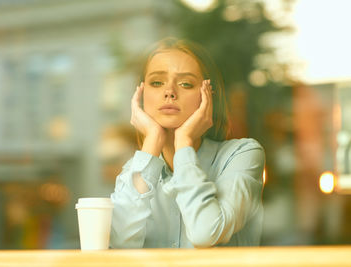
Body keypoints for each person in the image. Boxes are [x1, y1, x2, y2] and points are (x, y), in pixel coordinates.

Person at [110, 37, 265, 248]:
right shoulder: (135, 171)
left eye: (186, 83)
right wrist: (153, 139)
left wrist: (184, 142)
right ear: (142, 95)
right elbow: (119, 246)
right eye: (157, 82)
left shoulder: (241, 155)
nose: (170, 92)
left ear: (208, 97)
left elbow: (205, 233)